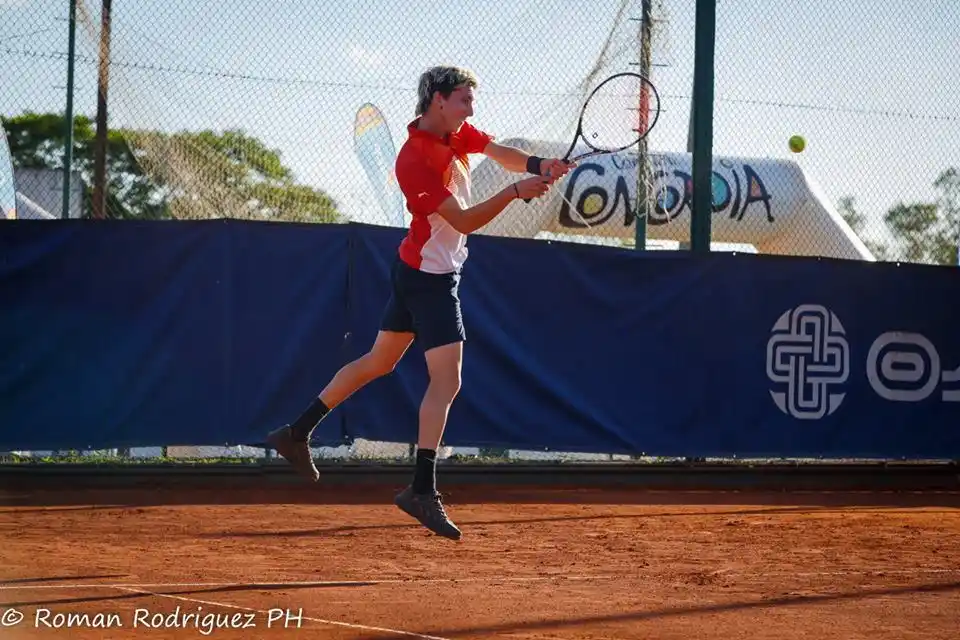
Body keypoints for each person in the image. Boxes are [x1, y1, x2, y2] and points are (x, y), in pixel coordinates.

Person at [267, 65, 574, 541]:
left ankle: (296, 432)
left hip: (417, 269)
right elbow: (464, 221)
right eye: (464, 99)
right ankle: (421, 489)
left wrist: (538, 165)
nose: (471, 108)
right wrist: (515, 192)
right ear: (438, 99)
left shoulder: (456, 133)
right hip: (430, 278)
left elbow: (497, 151)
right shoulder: (414, 159)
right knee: (447, 380)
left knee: (378, 362)